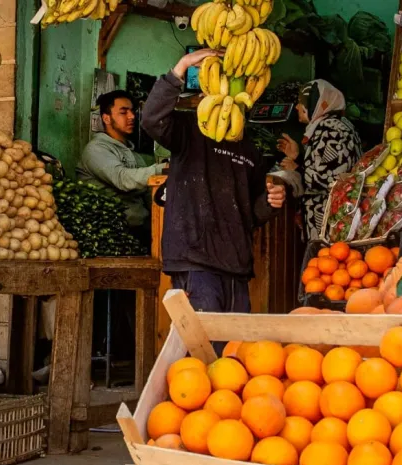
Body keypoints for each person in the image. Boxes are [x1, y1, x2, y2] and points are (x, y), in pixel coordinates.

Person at [141, 48, 294, 315]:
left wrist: (271, 202)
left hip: (235, 264)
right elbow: (152, 119)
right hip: (195, 260)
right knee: (204, 350)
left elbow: (251, 213)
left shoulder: (250, 149)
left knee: (234, 350)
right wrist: (181, 68)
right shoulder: (189, 130)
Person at [278, 79, 362, 239]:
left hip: (330, 220)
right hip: (331, 217)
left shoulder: (331, 130)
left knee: (326, 261)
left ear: (316, 103)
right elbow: (327, 165)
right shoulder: (336, 125)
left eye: (301, 103)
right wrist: (298, 157)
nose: (297, 107)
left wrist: (296, 169)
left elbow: (327, 179)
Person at [77, 89, 164, 231]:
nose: (131, 117)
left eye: (132, 111)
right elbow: (122, 179)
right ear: (106, 118)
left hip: (141, 229)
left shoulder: (134, 156)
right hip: (110, 233)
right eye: (123, 112)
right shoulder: (96, 150)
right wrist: (163, 168)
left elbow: (149, 195)